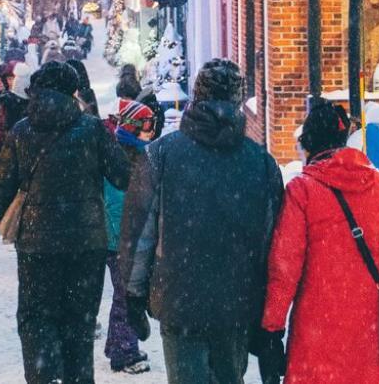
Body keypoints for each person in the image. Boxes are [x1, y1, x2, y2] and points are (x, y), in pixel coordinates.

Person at [120, 58, 283, 384]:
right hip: (236, 304)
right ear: (238, 100)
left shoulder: (162, 154)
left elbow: (142, 235)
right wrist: (268, 317)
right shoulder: (261, 164)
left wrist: (134, 294)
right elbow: (272, 246)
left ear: (196, 96)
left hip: (180, 299)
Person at [0, 60, 130, 384]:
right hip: (86, 241)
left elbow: (3, 180)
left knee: (36, 316)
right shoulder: (93, 130)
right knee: (79, 320)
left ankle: (43, 375)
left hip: (37, 242)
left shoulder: (21, 131)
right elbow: (122, 176)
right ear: (72, 92)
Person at [258, 98, 379, 384]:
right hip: (369, 330)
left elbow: (284, 269)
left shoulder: (301, 191)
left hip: (314, 335)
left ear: (310, 144)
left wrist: (271, 330)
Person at [103, 100, 155, 375]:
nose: (151, 132)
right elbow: (114, 203)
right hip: (119, 239)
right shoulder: (121, 156)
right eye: (146, 126)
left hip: (123, 236)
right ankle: (125, 353)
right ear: (133, 127)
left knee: (124, 294)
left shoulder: (137, 153)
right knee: (127, 295)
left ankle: (117, 344)